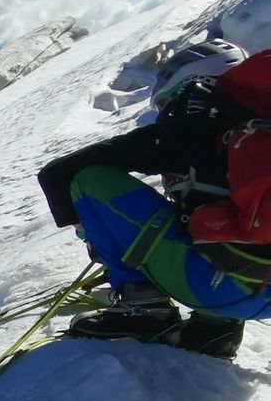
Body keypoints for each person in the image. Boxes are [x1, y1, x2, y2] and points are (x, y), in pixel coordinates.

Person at [39, 37, 271, 358]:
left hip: (219, 289)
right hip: (262, 297)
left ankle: (143, 308)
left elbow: (60, 173)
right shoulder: (257, 125)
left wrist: (91, 233)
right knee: (218, 213)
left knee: (89, 181)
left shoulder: (184, 128)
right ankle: (215, 330)